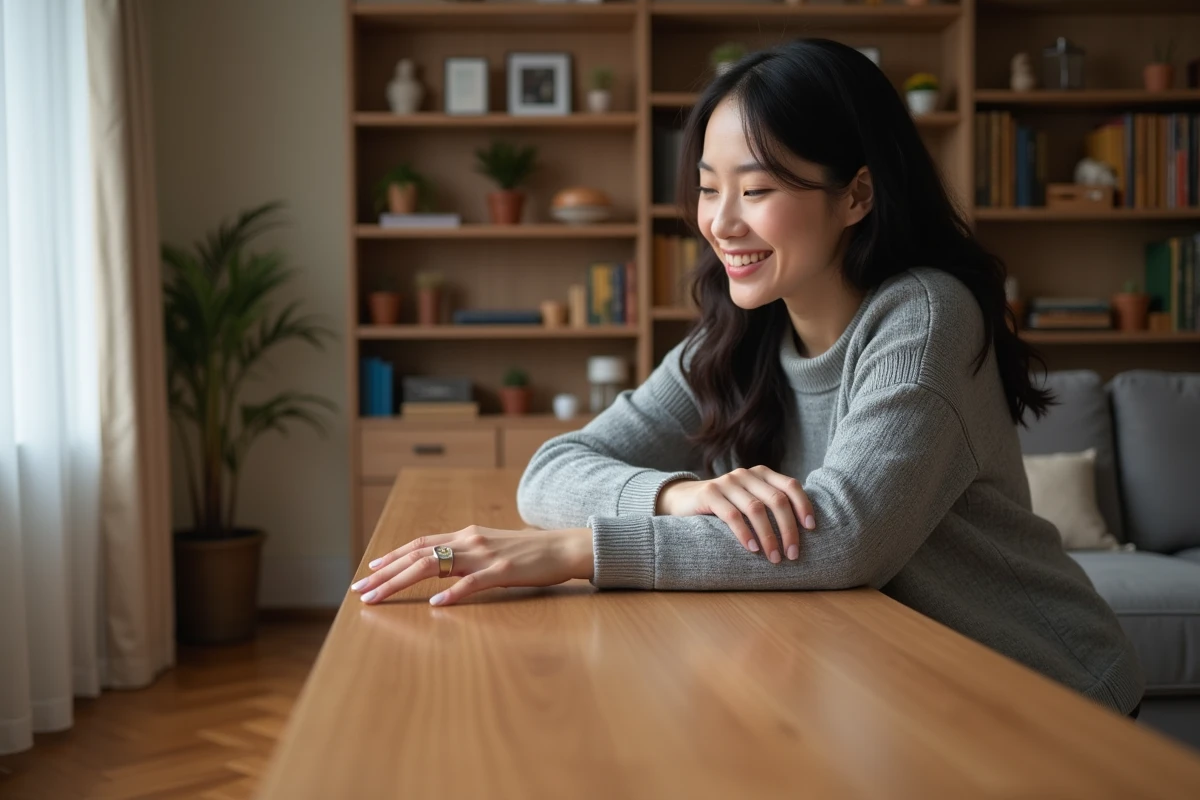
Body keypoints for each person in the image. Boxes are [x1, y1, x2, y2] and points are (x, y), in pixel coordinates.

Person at [351, 38, 1144, 718]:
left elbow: (843, 538)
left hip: (1044, 689)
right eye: (707, 186)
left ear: (857, 194)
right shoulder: (740, 332)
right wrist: (680, 492)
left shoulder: (926, 316)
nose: (721, 222)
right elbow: (550, 469)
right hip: (896, 681)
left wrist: (577, 550)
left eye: (757, 190)